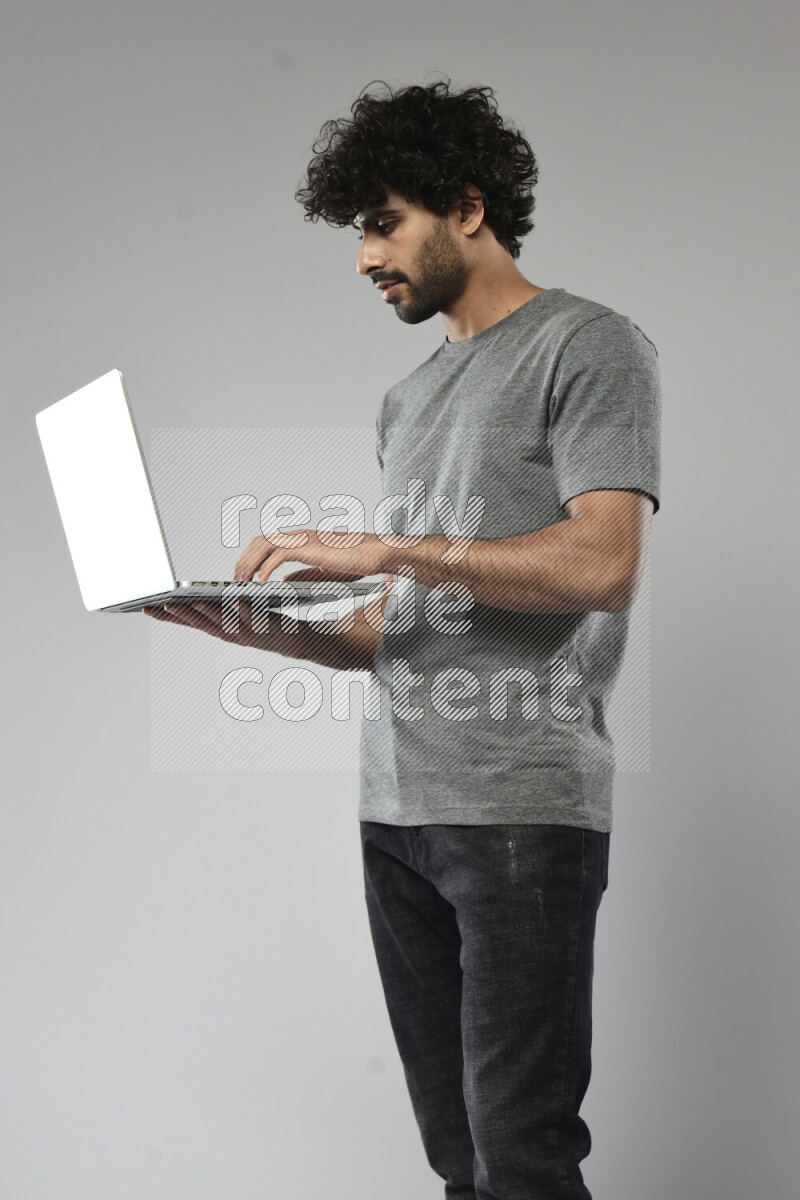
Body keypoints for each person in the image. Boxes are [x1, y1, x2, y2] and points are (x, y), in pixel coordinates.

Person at [147, 79, 661, 1200]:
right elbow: (411, 622)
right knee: (459, 1160)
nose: (363, 257)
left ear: (465, 208)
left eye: (382, 223)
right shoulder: (409, 397)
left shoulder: (588, 344)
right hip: (396, 810)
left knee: (521, 1152)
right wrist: (267, 634)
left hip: (518, 807)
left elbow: (602, 564)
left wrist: (380, 547)